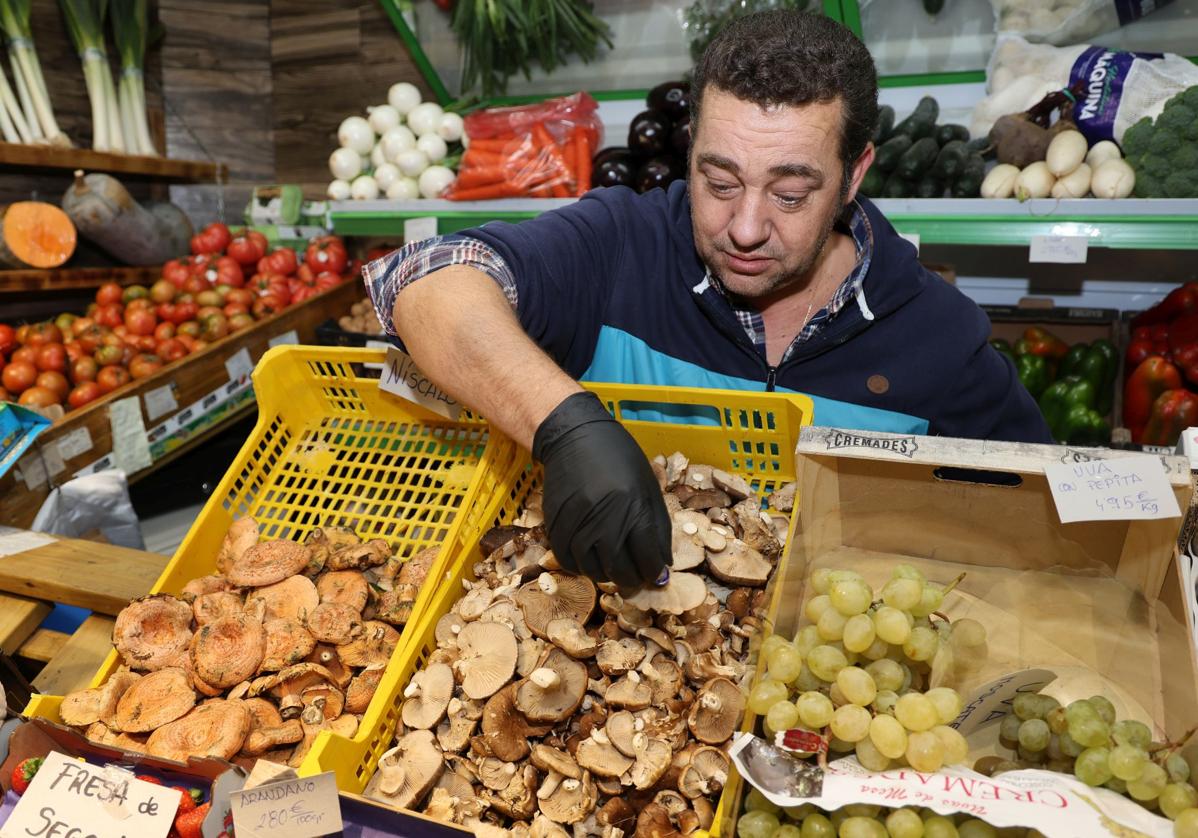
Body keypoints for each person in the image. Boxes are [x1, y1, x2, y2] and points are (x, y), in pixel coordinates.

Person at [364, 10, 1052, 590]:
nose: (746, 228)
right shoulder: (619, 246)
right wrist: (564, 423)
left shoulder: (939, 337)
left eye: (790, 195)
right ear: (691, 150)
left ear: (853, 176)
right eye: (719, 182)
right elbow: (426, 280)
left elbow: (1042, 529)